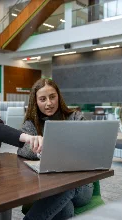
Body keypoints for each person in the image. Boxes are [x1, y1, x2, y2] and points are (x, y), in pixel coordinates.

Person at [18, 78, 94, 219]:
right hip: (46, 184)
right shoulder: (31, 124)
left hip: (81, 184)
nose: (49, 103)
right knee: (65, 208)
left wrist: (47, 149)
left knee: (66, 185)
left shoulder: (75, 117)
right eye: (43, 99)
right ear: (36, 102)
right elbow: (22, 149)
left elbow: (87, 147)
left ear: (58, 96)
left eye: (52, 97)